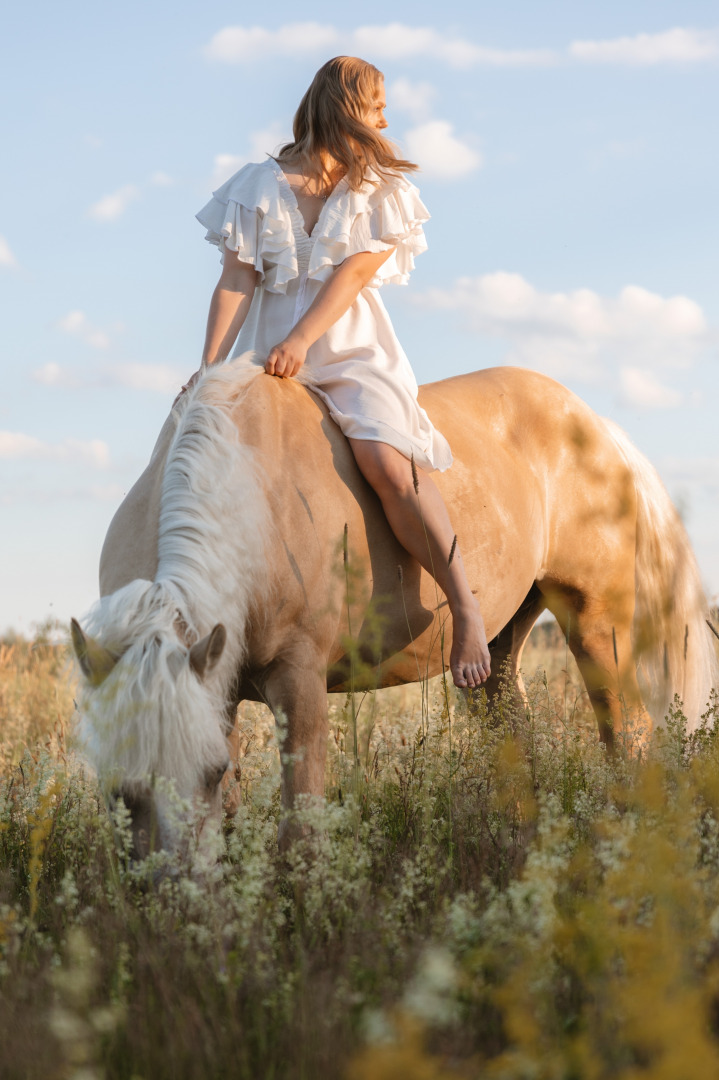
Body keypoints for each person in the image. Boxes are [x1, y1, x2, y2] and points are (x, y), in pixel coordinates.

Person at [188, 56, 491, 690]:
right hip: (271, 354)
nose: (385, 118)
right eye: (376, 105)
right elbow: (236, 279)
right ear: (347, 107)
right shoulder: (258, 183)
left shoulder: (379, 189)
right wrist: (209, 370)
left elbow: (354, 276)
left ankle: (464, 605)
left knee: (386, 462)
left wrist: (302, 338)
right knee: (211, 454)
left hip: (348, 348)